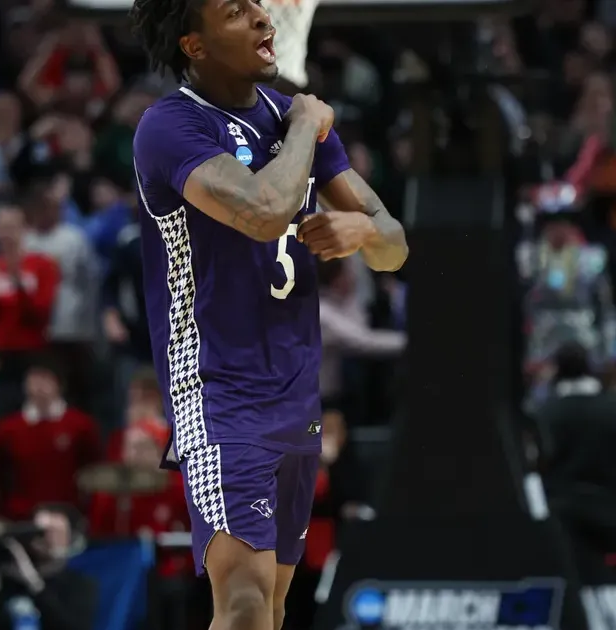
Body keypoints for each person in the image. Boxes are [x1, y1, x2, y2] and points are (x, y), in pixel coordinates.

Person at [127, 1, 410, 629]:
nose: (263, 18)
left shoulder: (288, 116)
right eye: (236, 12)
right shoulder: (170, 126)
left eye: (259, 4)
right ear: (195, 45)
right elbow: (263, 211)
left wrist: (363, 230)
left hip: (296, 388)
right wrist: (306, 122)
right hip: (217, 389)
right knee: (244, 601)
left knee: (274, 606)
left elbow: (396, 247)